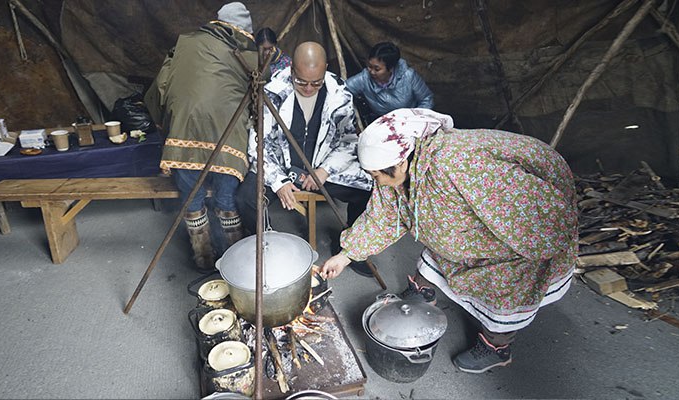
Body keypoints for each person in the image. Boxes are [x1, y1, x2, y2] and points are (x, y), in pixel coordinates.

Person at [321, 108, 578, 373]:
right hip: (465, 210)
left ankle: (497, 346)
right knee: (441, 232)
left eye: (378, 176)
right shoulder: (397, 166)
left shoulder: (457, 164)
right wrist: (346, 255)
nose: (379, 184)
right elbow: (384, 215)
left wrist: (538, 245)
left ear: (400, 162)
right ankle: (424, 290)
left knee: (508, 276)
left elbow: (531, 210)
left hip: (521, 211)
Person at [237, 42, 374, 276]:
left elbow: (349, 141)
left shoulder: (339, 92)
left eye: (316, 82)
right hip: (281, 166)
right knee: (245, 197)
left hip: (321, 165)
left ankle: (349, 249)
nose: (309, 88)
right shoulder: (273, 91)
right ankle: (266, 249)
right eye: (301, 81)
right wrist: (278, 181)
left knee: (367, 189)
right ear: (292, 71)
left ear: (325, 70)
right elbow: (259, 143)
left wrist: (324, 170)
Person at [144, 2, 258, 270]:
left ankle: (203, 257)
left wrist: (164, 124)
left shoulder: (185, 43)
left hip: (183, 131)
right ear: (243, 29)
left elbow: (160, 86)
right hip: (227, 133)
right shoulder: (246, 52)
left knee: (192, 198)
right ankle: (233, 262)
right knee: (226, 199)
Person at [346, 42, 434, 123]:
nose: (372, 72)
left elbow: (426, 99)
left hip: (411, 121)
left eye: (377, 69)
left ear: (391, 68)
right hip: (384, 124)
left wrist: (415, 119)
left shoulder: (409, 76)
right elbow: (343, 90)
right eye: (369, 66)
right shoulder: (364, 78)